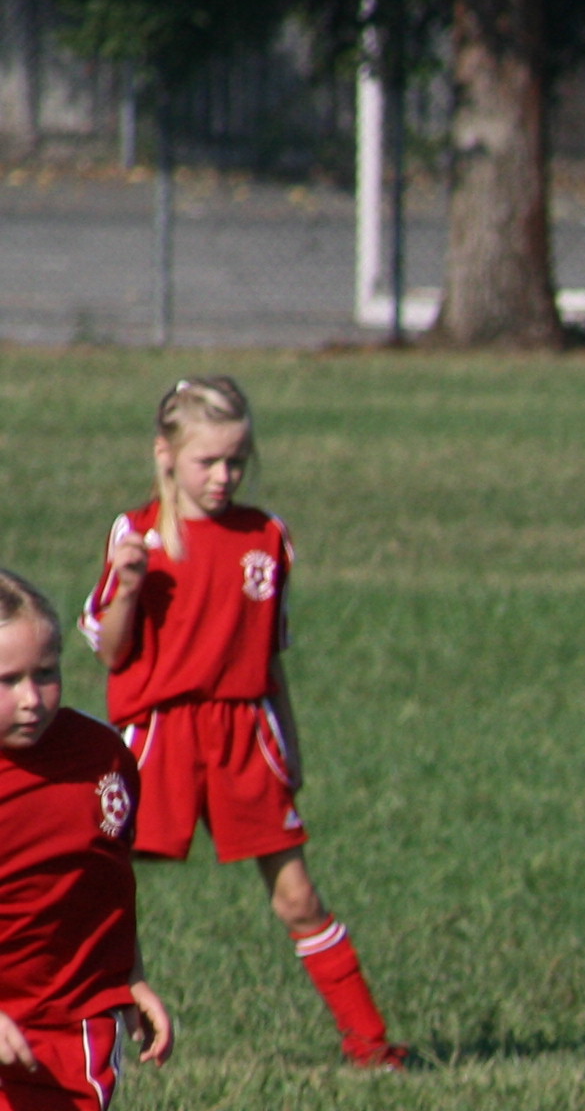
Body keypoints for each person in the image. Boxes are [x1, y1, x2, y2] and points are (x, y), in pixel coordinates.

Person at [81, 376, 403, 1069]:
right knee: (99, 883)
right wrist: (127, 588)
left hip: (244, 735)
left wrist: (291, 745)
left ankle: (371, 1045)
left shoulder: (267, 536)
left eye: (236, 460)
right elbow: (110, 651)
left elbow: (271, 659)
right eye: (209, 461)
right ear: (166, 454)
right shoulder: (137, 534)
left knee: (298, 896)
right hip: (159, 734)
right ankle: (85, 1036)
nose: (224, 475)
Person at [0, 570, 174, 1111]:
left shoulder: (102, 758)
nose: (31, 698)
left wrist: (130, 976)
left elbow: (107, 881)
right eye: (7, 680)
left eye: (46, 673)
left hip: (56, 1034)